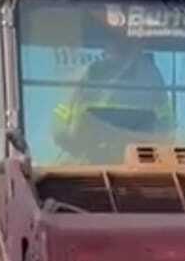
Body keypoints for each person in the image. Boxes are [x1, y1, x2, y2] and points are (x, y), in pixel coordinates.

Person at [52, 16, 172, 162]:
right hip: (91, 162)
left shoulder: (151, 75)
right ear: (107, 44)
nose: (119, 45)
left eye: (125, 41)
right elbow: (60, 128)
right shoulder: (88, 73)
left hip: (140, 164)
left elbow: (167, 124)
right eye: (115, 39)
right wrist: (73, 138)